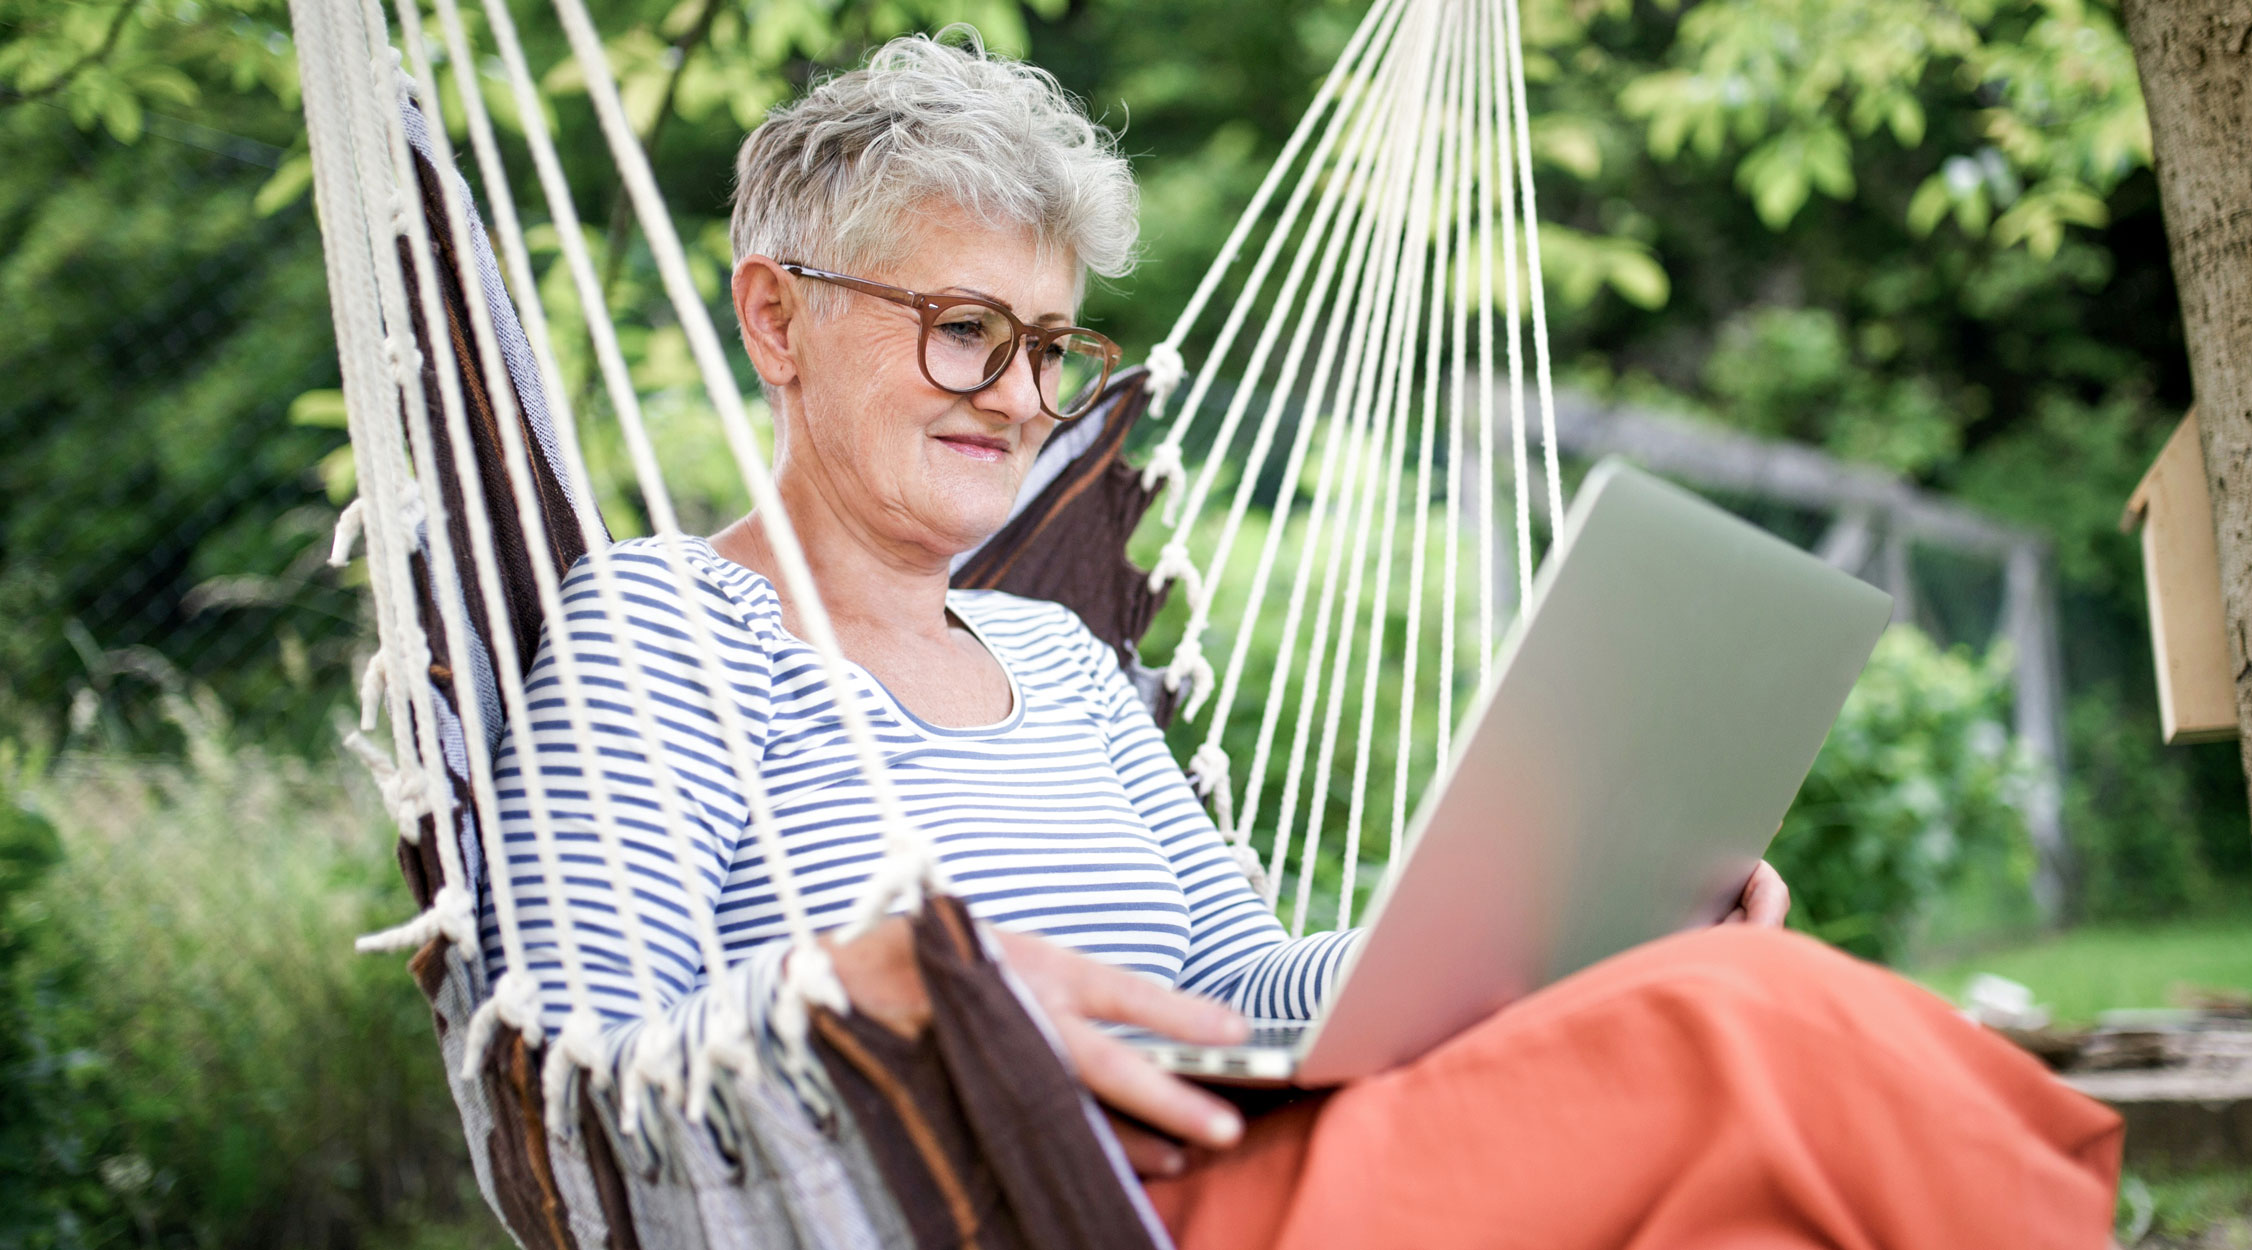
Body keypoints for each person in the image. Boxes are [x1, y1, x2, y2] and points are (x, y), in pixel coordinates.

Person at [481, 31, 2121, 1248]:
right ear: (778, 315)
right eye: (964, 331)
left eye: (1048, 345)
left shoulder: (1056, 658)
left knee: (1735, 1029)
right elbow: (573, 1095)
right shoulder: (667, 627)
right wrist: (894, 996)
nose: (1018, 401)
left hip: (1249, 1149)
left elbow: (1247, 982)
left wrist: (1563, 925)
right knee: (1740, 1054)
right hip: (1047, 1207)